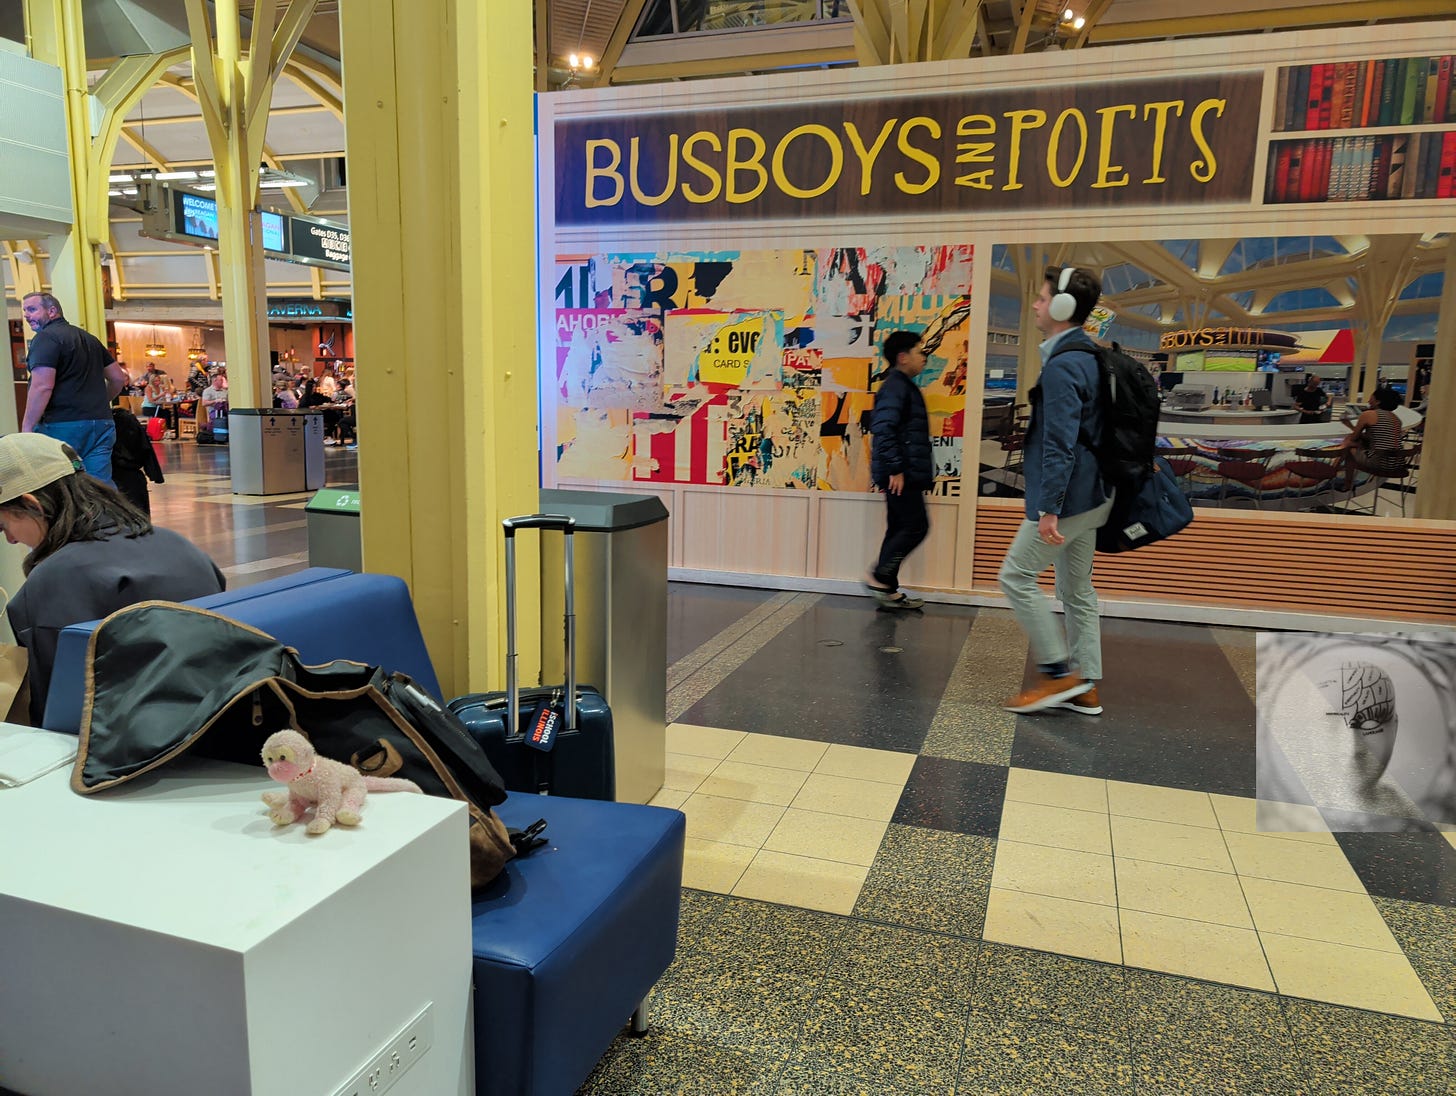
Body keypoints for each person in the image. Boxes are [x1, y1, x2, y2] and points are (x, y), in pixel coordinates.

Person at [0, 432, 223, 723]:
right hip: (217, 716)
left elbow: (58, 713)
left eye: (3, 525)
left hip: (132, 749)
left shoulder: (52, 582)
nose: (10, 540)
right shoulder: (178, 544)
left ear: (33, 505)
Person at [997, 265, 1113, 715]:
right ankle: (1085, 685)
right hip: (1095, 496)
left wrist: (1049, 508)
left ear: (1063, 308)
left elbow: (1060, 443)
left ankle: (1057, 675)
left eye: (1043, 299)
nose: (1036, 305)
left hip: (1068, 499)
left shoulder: (1065, 367)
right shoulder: (1091, 357)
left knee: (1016, 576)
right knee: (1077, 590)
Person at [18, 293, 130, 486]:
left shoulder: (46, 338)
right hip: (101, 424)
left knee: (61, 485)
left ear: (52, 311)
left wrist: (27, 428)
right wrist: (101, 403)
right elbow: (118, 378)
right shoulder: (89, 339)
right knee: (99, 486)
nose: (27, 315)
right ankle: (108, 516)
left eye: (32, 309)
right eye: (25, 311)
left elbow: (42, 385)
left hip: (63, 424)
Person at [865, 330, 932, 610]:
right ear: (903, 357)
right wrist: (896, 468)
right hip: (900, 473)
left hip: (902, 471)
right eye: (920, 352)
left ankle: (888, 589)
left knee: (899, 527)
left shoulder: (901, 384)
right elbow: (883, 428)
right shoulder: (896, 386)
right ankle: (880, 576)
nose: (924, 358)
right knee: (916, 526)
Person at [1338, 384, 1407, 491]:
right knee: (1356, 443)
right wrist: (1350, 426)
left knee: (1348, 445)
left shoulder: (1368, 414)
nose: (1369, 401)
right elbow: (1374, 438)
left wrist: (1349, 431)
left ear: (1378, 401)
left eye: (1371, 399)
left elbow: (1353, 438)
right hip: (1397, 463)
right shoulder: (1396, 418)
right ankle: (1338, 468)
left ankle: (1346, 483)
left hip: (1379, 463)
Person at [109, 405, 165, 515]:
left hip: (111, 474)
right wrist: (155, 474)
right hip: (134, 478)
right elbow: (145, 448)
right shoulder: (129, 421)